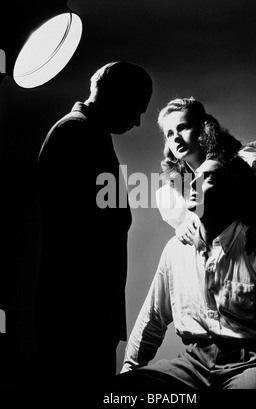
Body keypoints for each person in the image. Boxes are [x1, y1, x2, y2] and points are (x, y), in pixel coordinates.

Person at [109, 155, 256, 390]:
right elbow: (152, 319)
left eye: (208, 178)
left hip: (254, 363)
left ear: (234, 193)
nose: (193, 183)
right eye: (194, 176)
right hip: (194, 363)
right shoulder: (176, 251)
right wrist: (128, 371)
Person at [36, 61, 152, 387]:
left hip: (87, 309)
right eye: (137, 109)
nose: (139, 121)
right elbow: (85, 231)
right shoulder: (76, 133)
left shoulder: (87, 131)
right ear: (117, 96)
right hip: (78, 311)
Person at [155, 97, 256, 254]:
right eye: (169, 134)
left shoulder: (248, 164)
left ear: (204, 128)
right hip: (217, 270)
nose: (176, 137)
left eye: (183, 127)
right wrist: (183, 227)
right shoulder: (177, 189)